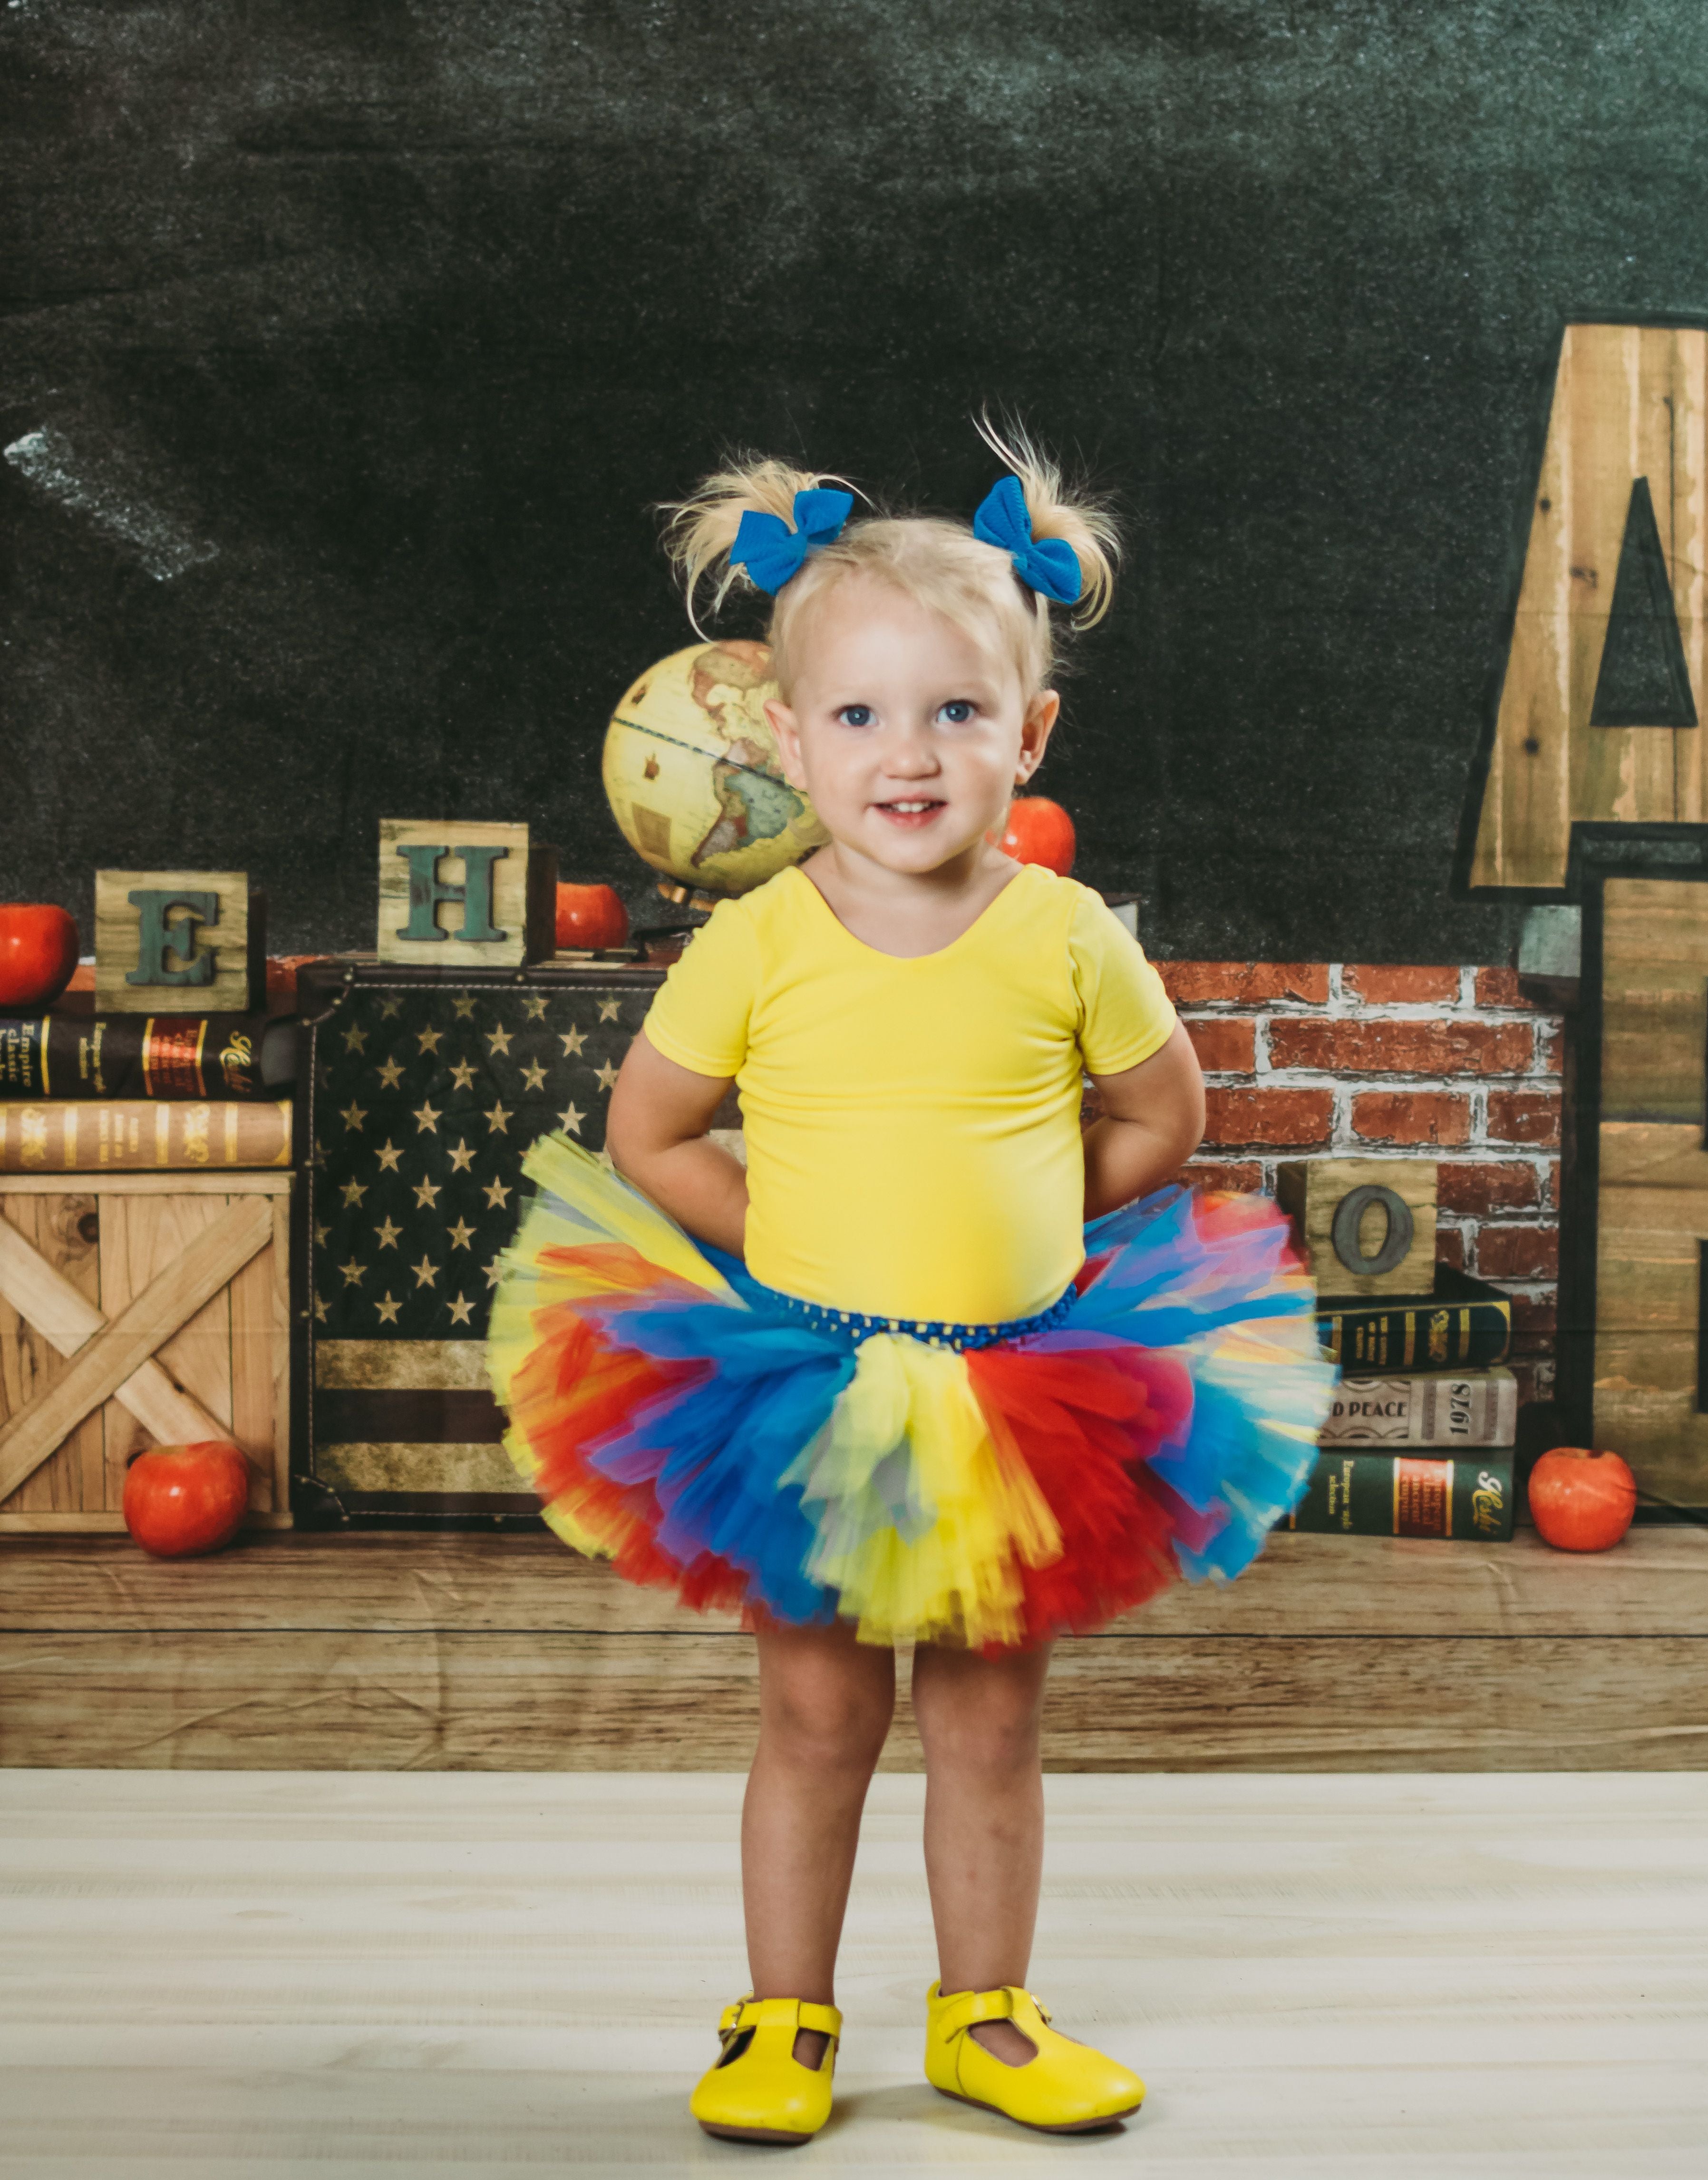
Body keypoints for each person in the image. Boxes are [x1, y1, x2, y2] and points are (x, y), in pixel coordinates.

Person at [486, 425, 1334, 2146]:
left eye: (957, 713)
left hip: (1020, 1380)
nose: (910, 755)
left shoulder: (1065, 932)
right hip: (801, 1382)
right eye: (862, 716)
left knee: (989, 1720)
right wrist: (772, 1219)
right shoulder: (760, 939)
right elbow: (649, 1130)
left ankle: (986, 2018)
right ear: (787, 740)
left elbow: (1163, 1114)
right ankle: (783, 2019)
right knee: (812, 1712)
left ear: (1028, 734)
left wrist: (1040, 1204)